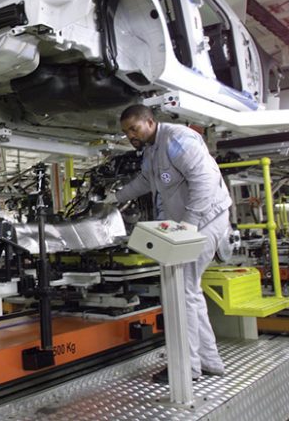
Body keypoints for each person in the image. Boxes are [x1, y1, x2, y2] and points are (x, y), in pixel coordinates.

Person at [107, 104, 230, 383]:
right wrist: (115, 198)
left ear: (150, 122)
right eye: (126, 132)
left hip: (206, 221)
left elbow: (205, 180)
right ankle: (209, 362)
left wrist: (189, 225)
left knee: (180, 292)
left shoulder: (177, 140)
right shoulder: (152, 149)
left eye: (134, 129)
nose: (130, 136)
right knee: (189, 292)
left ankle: (187, 368)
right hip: (190, 224)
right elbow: (145, 181)